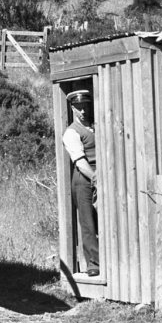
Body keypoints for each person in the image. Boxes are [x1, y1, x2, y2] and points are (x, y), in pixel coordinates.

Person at [63, 89, 99, 277]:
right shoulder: (71, 133)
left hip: (99, 176)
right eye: (79, 108)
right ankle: (93, 264)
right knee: (87, 222)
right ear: (72, 108)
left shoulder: (96, 126)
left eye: (85, 106)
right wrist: (95, 179)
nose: (83, 111)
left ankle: (105, 258)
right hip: (84, 179)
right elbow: (80, 161)